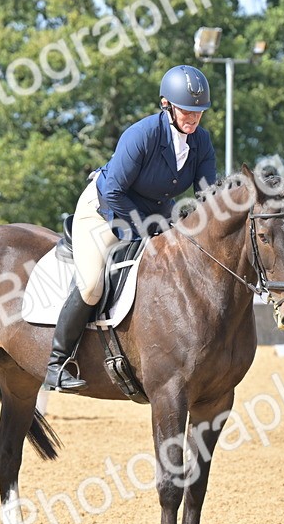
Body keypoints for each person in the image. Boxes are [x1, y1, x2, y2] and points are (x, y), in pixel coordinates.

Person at [43, 64, 218, 392]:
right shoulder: (143, 134)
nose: (193, 118)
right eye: (187, 110)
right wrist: (143, 229)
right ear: (167, 105)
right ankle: (57, 363)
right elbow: (113, 192)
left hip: (155, 216)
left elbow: (208, 194)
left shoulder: (201, 142)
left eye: (199, 111)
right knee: (93, 285)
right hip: (103, 211)